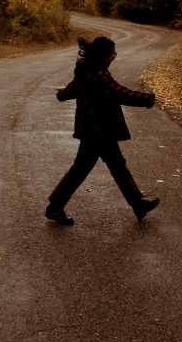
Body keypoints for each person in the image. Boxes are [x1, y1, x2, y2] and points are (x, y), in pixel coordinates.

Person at [46, 36, 162, 226]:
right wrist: (147, 99)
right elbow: (119, 92)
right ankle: (54, 207)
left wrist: (61, 94)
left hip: (96, 131)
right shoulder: (99, 75)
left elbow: (70, 90)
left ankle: (138, 204)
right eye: (112, 54)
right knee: (83, 169)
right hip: (98, 132)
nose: (114, 57)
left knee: (116, 166)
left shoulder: (85, 72)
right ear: (103, 56)